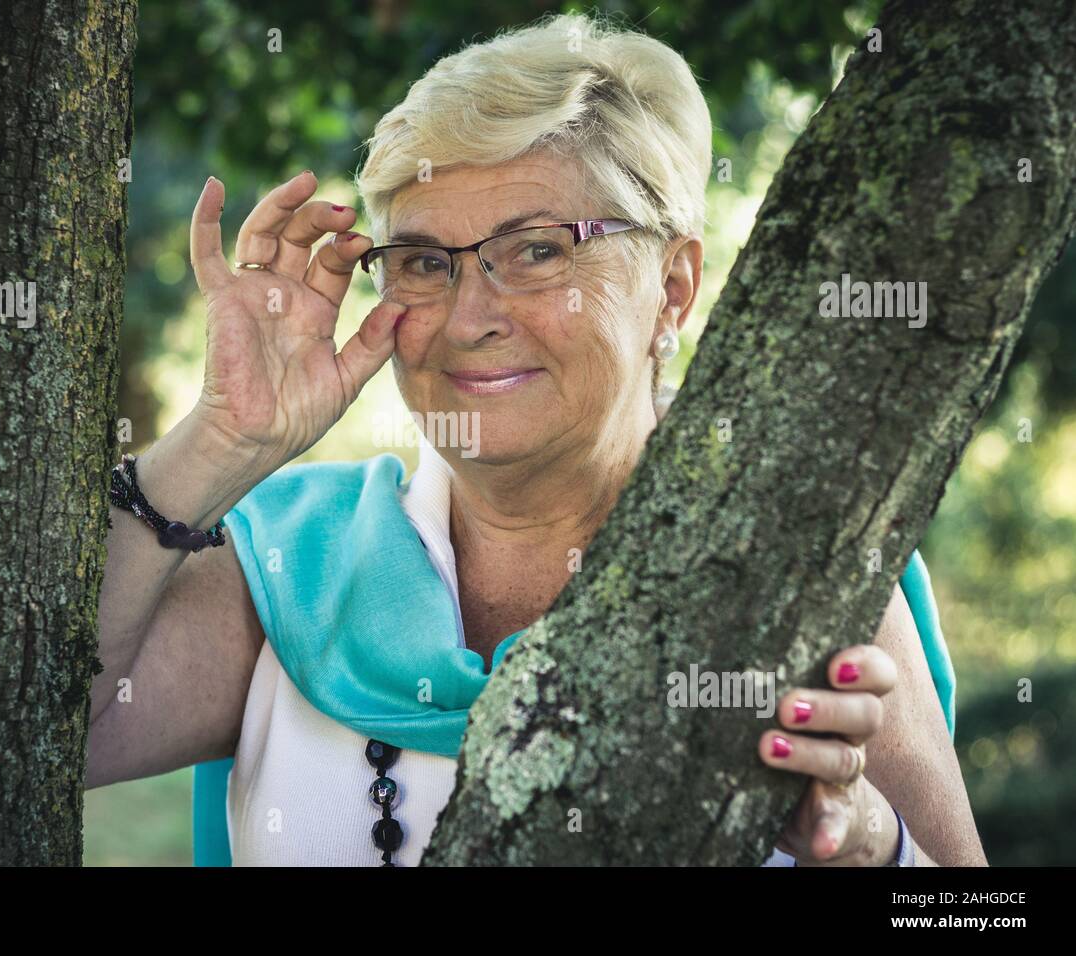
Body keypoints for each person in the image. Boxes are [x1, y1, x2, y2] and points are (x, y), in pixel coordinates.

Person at [86, 11, 985, 867]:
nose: (471, 318)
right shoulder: (295, 563)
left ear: (672, 286)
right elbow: (18, 726)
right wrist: (223, 439)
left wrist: (869, 842)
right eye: (425, 263)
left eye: (539, 251)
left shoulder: (796, 569)